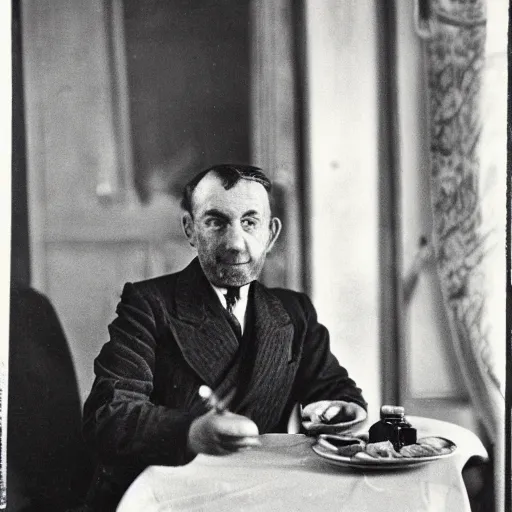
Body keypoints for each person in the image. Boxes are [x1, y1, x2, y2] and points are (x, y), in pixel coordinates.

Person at [82, 164, 367, 510]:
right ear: (190, 229)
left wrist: (341, 410)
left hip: (260, 497)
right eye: (216, 222)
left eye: (249, 222)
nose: (235, 243)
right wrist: (190, 433)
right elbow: (109, 414)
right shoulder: (148, 305)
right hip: (167, 498)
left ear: (271, 234)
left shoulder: (294, 313)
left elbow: (335, 391)